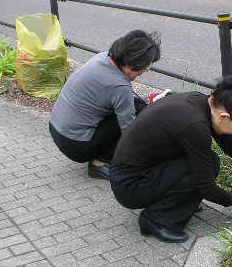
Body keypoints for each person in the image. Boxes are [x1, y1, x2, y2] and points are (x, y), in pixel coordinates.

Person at [109, 76, 232, 243]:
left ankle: (179, 205)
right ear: (224, 117)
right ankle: (157, 220)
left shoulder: (202, 102)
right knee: (207, 166)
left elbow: (228, 143)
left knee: (209, 162)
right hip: (130, 186)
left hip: (139, 172)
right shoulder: (195, 126)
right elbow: (205, 186)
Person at [49, 30, 160, 180]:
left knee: (137, 105)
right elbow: (130, 132)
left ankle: (100, 154)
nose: (141, 74)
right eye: (142, 70)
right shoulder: (119, 86)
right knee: (136, 121)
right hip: (76, 145)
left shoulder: (102, 57)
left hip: (58, 129)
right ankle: (99, 163)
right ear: (131, 65)